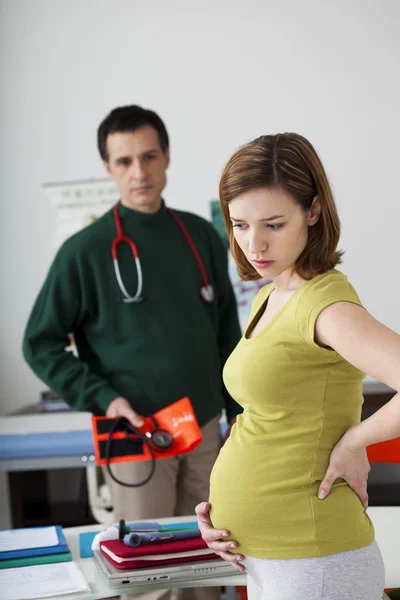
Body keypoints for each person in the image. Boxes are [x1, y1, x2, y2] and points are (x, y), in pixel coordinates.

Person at [23, 105, 242, 600]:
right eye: (124, 162)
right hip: (133, 431)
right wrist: (103, 397)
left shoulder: (200, 236)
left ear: (167, 158)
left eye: (148, 156)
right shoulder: (84, 252)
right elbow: (39, 342)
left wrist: (239, 418)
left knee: (211, 564)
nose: (138, 172)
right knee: (148, 573)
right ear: (108, 169)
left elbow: (228, 334)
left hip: (205, 428)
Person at [195, 132, 400, 600]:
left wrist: (355, 440)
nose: (254, 243)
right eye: (240, 225)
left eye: (272, 224)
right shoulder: (270, 294)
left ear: (313, 211)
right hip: (274, 557)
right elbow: (274, 422)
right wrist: (224, 509)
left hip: (314, 558)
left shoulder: (326, 307)